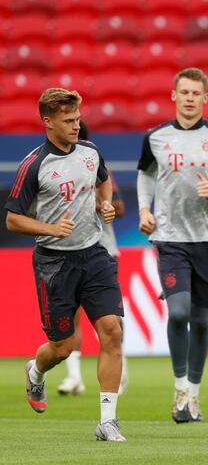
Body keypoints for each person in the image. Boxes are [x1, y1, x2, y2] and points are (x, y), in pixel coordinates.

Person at [5, 88, 125, 441]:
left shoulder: (90, 152)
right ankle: (36, 372)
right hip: (54, 264)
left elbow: (103, 183)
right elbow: (12, 220)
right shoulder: (34, 165)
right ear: (48, 122)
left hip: (94, 254)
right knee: (63, 346)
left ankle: (107, 422)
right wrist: (50, 228)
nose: (76, 126)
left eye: (77, 119)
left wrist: (105, 206)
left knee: (112, 331)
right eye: (69, 120)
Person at [137, 67, 208, 423]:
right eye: (182, 92)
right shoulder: (156, 137)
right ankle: (180, 387)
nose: (188, 98)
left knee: (201, 320)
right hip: (170, 238)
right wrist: (144, 208)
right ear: (173, 96)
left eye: (194, 93)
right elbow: (145, 174)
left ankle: (195, 396)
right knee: (180, 312)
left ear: (205, 98)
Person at [57, 120, 130, 396]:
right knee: (73, 315)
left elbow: (119, 207)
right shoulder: (54, 171)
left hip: (104, 250)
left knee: (110, 318)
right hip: (72, 250)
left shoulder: (98, 169)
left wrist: (98, 204)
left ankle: (119, 369)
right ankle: (74, 377)